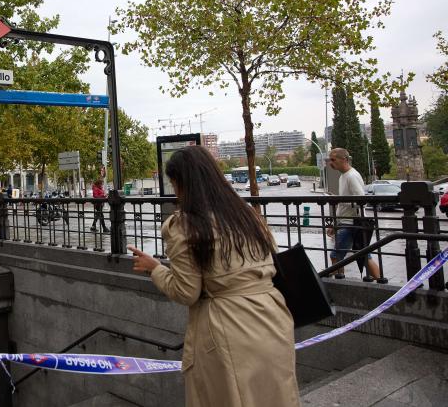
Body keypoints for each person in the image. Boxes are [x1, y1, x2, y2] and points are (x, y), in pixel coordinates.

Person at [129, 146, 299, 407]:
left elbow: (187, 292)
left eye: (174, 184)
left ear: (182, 183)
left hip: (228, 328)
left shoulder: (184, 225)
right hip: (273, 317)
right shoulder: (249, 216)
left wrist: (155, 268)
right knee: (275, 396)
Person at [326, 147, 381, 281]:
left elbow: (360, 199)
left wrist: (340, 201)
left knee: (336, 255)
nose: (330, 163)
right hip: (348, 222)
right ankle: (381, 280)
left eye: (333, 160)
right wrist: (336, 223)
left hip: (352, 223)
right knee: (363, 255)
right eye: (329, 160)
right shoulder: (344, 176)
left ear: (344, 159)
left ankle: (339, 282)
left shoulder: (351, 175)